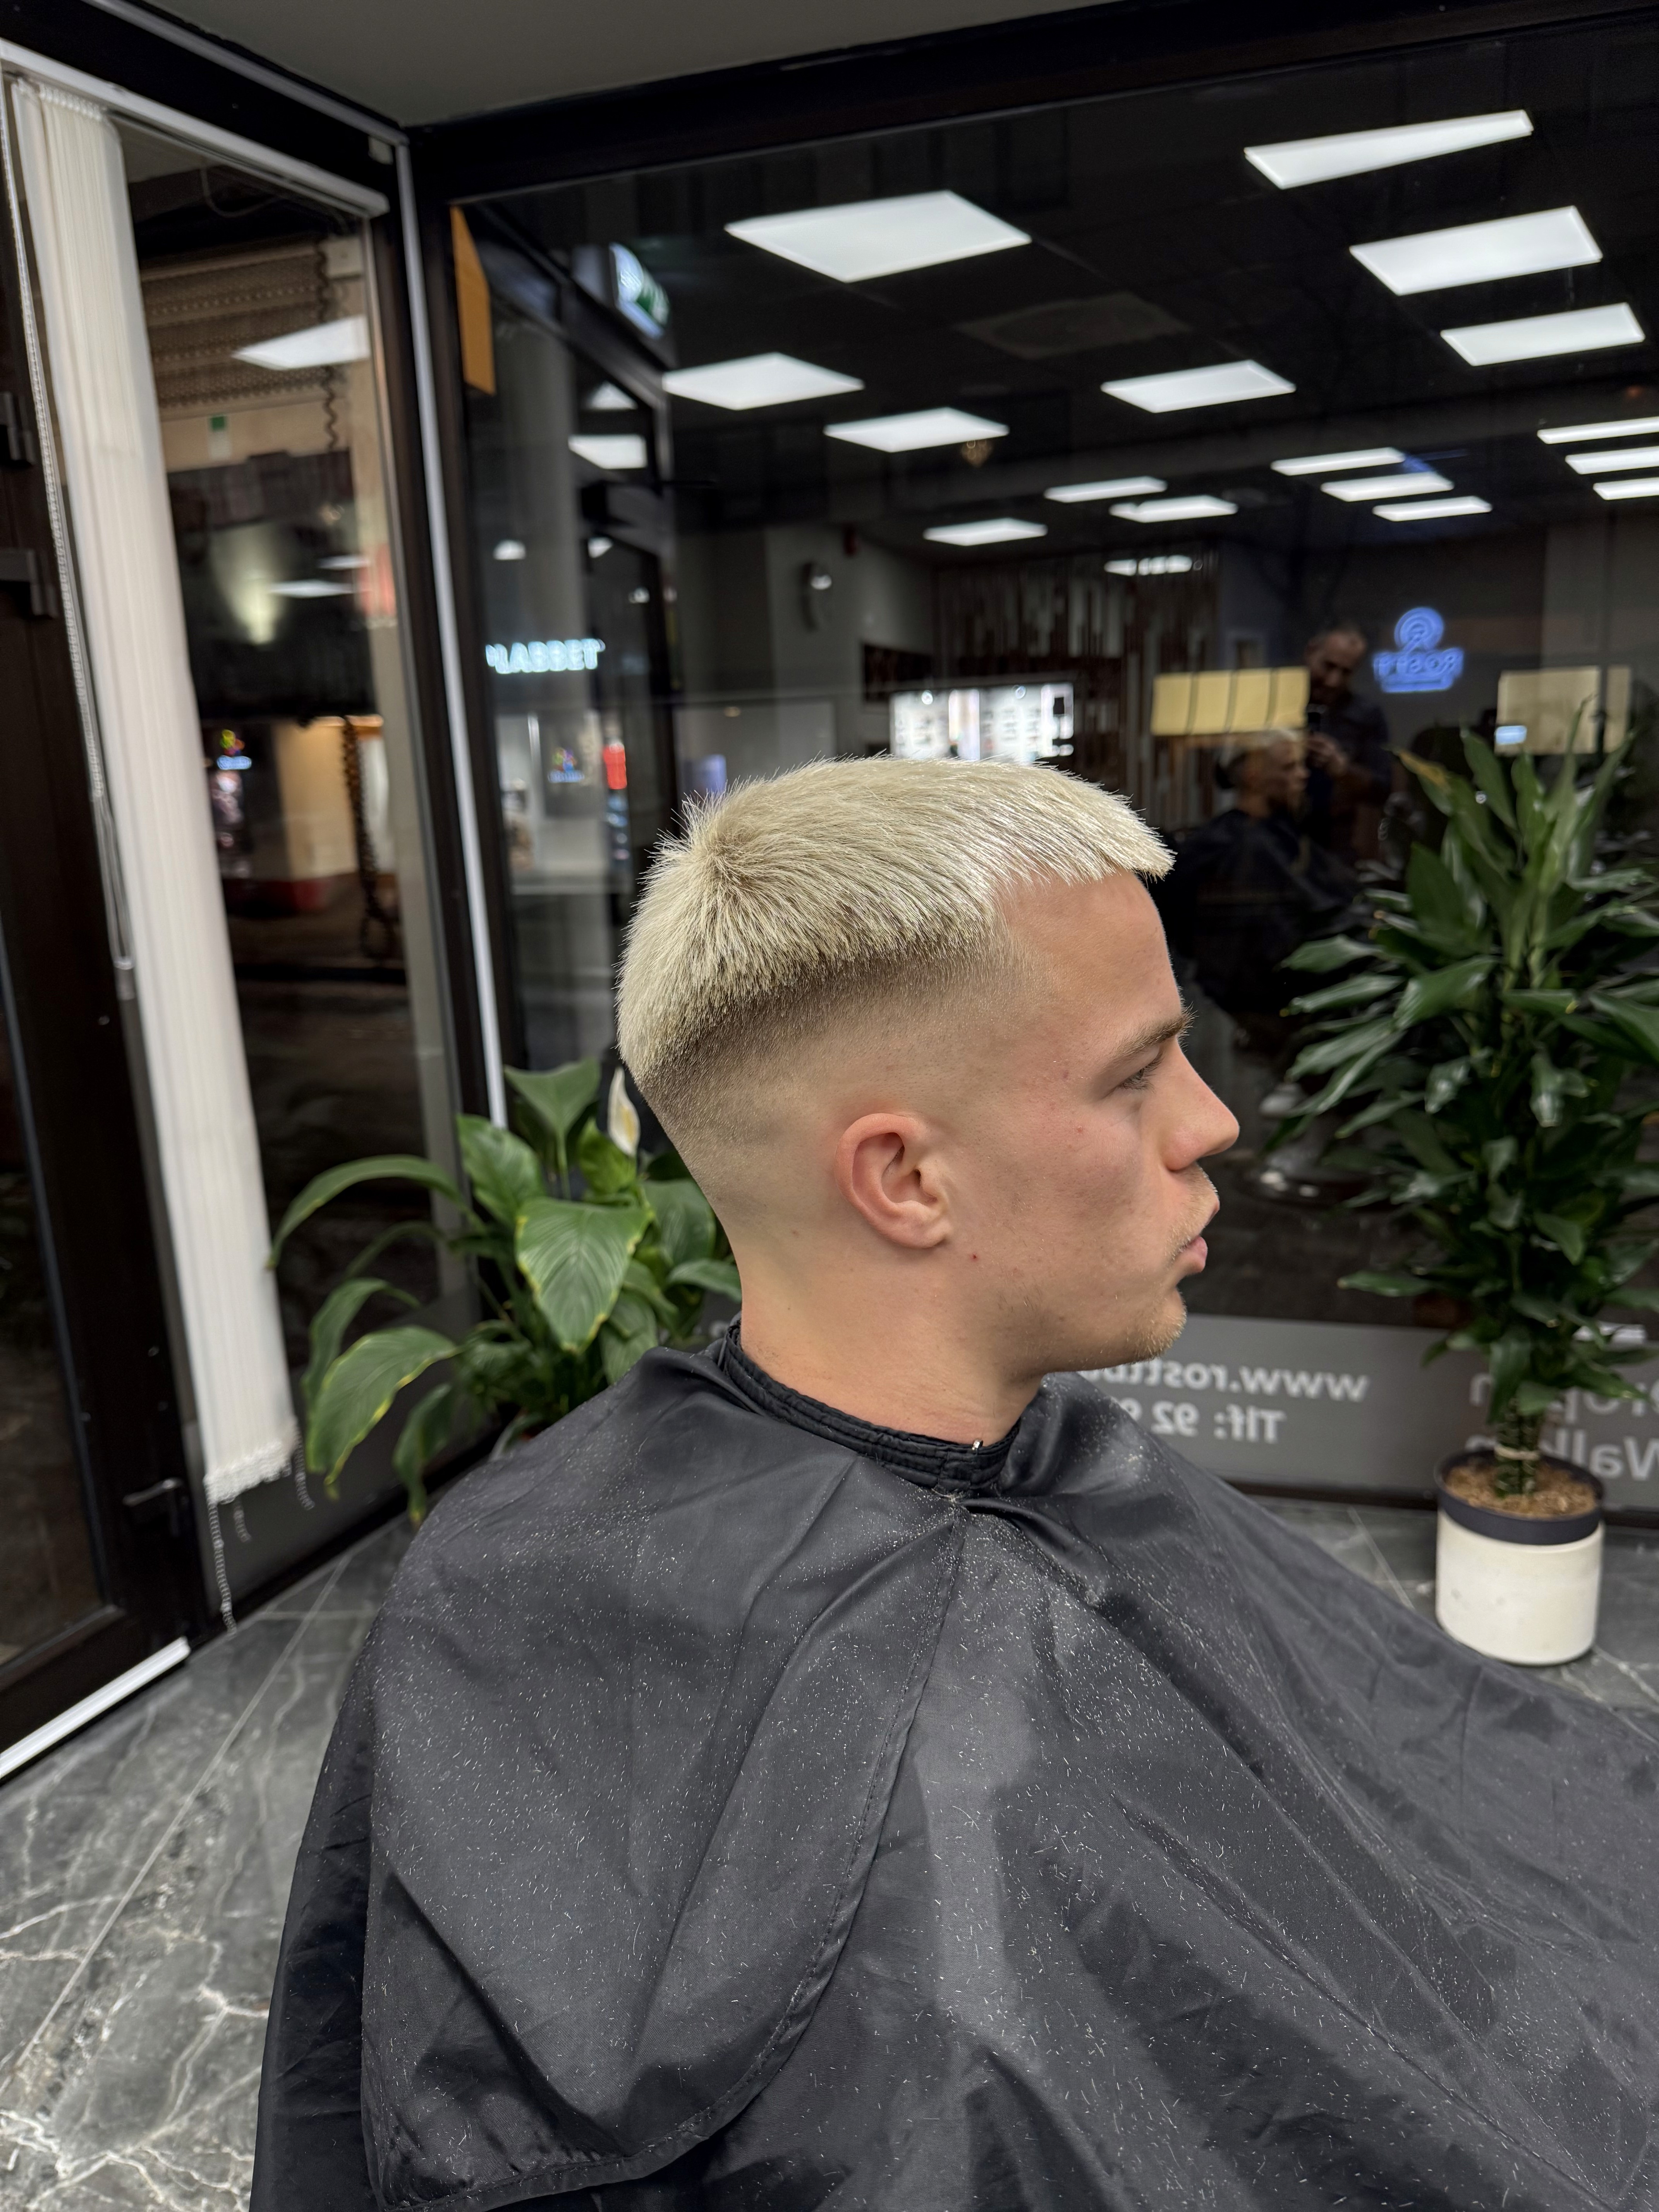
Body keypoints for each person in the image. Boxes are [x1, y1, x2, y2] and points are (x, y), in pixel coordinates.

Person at [254, 759, 1659, 2212]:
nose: (1210, 1124)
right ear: (906, 1179)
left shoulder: (1049, 1475)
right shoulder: (517, 1626)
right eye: (1135, 1073)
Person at [1157, 728, 1355, 1059]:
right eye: (1289, 768)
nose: (1303, 776)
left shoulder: (1277, 834)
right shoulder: (1238, 846)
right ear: (1253, 775)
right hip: (1274, 1002)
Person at [1303, 622, 1394, 864]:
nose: (1334, 681)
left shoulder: (1366, 715)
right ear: (1311, 651)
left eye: (1346, 672)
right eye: (1329, 666)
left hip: (1335, 845)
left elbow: (1382, 788)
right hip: (1273, 840)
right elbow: (1224, 773)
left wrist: (1342, 770)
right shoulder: (1276, 702)